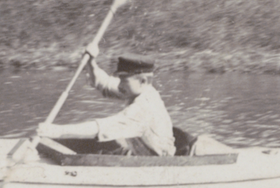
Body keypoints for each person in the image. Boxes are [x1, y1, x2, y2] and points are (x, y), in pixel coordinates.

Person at [36, 44, 176, 156]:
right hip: (140, 154)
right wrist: (91, 62)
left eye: (124, 80)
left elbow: (103, 127)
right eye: (119, 79)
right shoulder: (138, 90)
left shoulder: (144, 108)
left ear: (143, 80)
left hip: (158, 164)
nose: (119, 85)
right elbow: (103, 83)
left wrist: (58, 130)